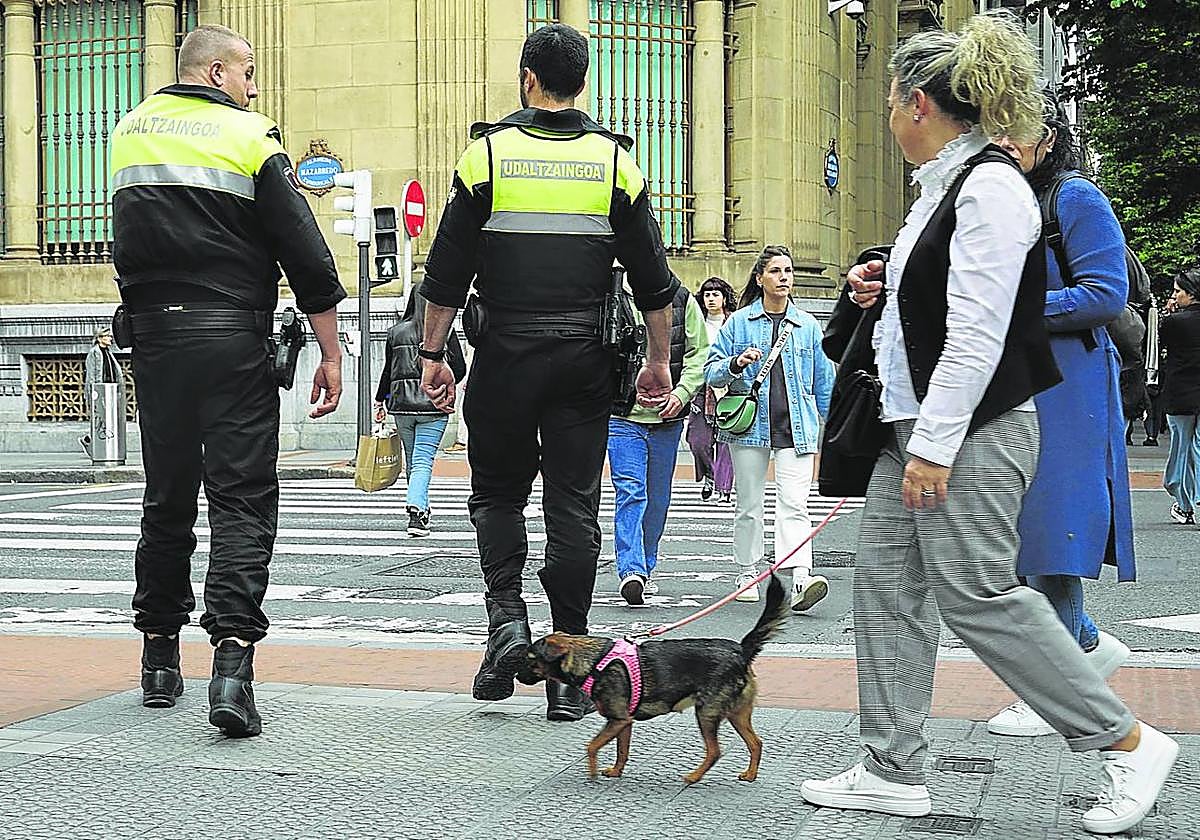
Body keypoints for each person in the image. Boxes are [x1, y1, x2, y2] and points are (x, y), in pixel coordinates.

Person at [799, 14, 1177, 836]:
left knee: (978, 598)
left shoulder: (991, 188)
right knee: (887, 592)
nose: (889, 118)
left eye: (893, 102)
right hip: (920, 428)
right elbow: (942, 309)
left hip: (965, 431)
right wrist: (883, 285)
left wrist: (933, 447)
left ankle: (1128, 741)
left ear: (919, 103)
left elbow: (979, 331)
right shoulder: (946, 187)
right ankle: (893, 767)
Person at [416, 23, 679, 722]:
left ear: (527, 79)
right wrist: (658, 360)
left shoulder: (487, 156)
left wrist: (433, 354)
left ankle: (505, 625)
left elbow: (446, 272)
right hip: (584, 363)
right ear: (582, 83)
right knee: (572, 505)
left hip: (504, 358)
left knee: (497, 497)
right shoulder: (614, 162)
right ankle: (567, 674)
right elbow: (655, 283)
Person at [110, 24, 345, 737]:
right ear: (214, 72)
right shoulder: (248, 137)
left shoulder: (128, 130)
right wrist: (332, 353)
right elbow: (303, 251)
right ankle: (233, 668)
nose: (253, 84)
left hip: (153, 337)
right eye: (246, 70)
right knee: (241, 501)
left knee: (167, 495)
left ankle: (157, 657)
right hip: (230, 338)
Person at [984, 95, 1134, 738]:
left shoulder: (1074, 199)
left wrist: (1012, 308)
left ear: (1046, 137)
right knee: (1023, 539)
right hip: (1022, 382)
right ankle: (1087, 649)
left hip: (1069, 389)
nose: (999, 142)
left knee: (1053, 537)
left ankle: (1058, 685)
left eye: (1011, 130)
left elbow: (1106, 293)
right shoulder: (1003, 200)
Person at [704, 245, 835, 612]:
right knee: (749, 504)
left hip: (798, 427)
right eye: (776, 271)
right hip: (749, 427)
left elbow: (823, 382)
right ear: (760, 278)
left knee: (795, 504)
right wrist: (735, 363)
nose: (784, 278)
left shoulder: (807, 325)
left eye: (788, 271)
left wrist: (835, 429)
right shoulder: (739, 323)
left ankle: (800, 578)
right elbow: (710, 371)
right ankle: (747, 571)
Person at [608, 281, 707, 605]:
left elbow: (699, 354)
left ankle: (645, 566)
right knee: (631, 491)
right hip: (622, 416)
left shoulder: (681, 299)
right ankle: (631, 570)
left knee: (658, 498)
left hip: (667, 419)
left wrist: (682, 393)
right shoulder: (608, 292)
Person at [374, 283, 467, 537]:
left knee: (413, 461)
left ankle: (420, 507)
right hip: (433, 406)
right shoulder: (444, 332)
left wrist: (380, 400)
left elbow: (387, 372)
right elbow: (459, 369)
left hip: (402, 407)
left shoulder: (396, 332)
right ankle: (416, 512)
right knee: (423, 460)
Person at [685, 277, 736, 505]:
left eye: (715, 294)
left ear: (724, 297)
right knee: (698, 441)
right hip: (701, 388)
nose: (711, 299)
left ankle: (724, 488)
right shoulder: (697, 323)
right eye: (707, 294)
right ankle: (709, 475)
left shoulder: (734, 322)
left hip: (730, 387)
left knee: (726, 441)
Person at [1161, 267, 1200, 526]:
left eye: (1178, 291)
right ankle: (1191, 499)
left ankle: (1184, 502)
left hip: (1180, 393)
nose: (1175, 297)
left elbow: (1166, 347)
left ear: (1192, 293)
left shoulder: (1175, 321)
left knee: (1181, 449)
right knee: (1198, 447)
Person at [80, 327, 123, 456]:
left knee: (108, 419)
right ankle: (91, 443)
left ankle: (91, 441)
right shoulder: (94, 353)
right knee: (101, 419)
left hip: (110, 390)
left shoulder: (108, 353)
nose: (110, 338)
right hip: (100, 392)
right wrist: (94, 393)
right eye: (107, 336)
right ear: (99, 338)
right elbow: (92, 376)